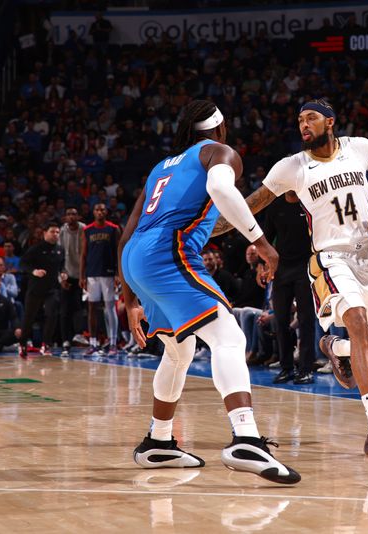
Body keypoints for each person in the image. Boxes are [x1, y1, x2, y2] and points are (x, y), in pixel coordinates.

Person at [212, 99, 368, 457]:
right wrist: (206, 227)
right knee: (358, 324)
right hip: (332, 258)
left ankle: (335, 347)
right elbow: (248, 204)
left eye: (311, 118)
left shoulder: (360, 148)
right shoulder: (291, 167)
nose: (304, 125)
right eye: (300, 120)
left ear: (330, 122)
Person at [119, 100, 299, 484]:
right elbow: (220, 188)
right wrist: (262, 243)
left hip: (137, 257)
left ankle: (159, 442)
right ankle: (246, 439)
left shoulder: (159, 168)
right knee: (228, 335)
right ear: (220, 129)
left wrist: (130, 299)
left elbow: (127, 231)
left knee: (178, 350)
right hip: (169, 251)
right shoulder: (220, 153)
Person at [262, 193, 316, 384]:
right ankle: (286, 368)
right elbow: (265, 239)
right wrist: (264, 266)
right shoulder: (275, 207)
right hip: (281, 269)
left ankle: (306, 369)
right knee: (281, 320)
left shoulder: (309, 203)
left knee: (306, 319)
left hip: (305, 268)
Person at [18, 223, 66, 358]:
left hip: (52, 289)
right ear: (45, 233)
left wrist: (63, 273)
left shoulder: (60, 249)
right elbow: (23, 264)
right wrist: (34, 271)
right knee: (29, 318)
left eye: (57, 232)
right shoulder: (35, 249)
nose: (55, 234)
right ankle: (22, 344)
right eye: (52, 232)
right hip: (35, 289)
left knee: (52, 315)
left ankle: (46, 344)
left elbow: (62, 265)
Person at [80, 203, 121, 356]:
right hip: (91, 274)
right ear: (93, 212)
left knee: (110, 308)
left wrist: (118, 273)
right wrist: (82, 275)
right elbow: (83, 254)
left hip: (109, 274)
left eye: (102, 209)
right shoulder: (87, 230)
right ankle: (93, 343)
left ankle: (113, 343)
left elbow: (119, 252)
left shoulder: (113, 228)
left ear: (106, 211)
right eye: (97, 209)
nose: (100, 212)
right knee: (92, 308)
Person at [59, 206, 85, 355]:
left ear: (78, 216)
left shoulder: (84, 229)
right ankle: (65, 341)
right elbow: (60, 255)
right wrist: (61, 276)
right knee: (64, 310)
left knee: (80, 308)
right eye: (68, 214)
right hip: (67, 275)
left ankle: (80, 336)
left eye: (74, 214)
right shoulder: (62, 231)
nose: (71, 217)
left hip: (82, 274)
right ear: (65, 217)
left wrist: (84, 275)